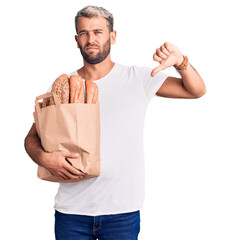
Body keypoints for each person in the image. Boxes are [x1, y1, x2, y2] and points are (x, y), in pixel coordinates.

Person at [24, 5, 206, 240]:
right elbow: (32, 137)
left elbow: (197, 90)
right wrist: (45, 158)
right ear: (76, 39)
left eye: (98, 32)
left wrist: (181, 61)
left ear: (113, 36)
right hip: (72, 212)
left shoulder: (138, 78)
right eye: (84, 33)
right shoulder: (64, 86)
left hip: (122, 213)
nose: (91, 39)